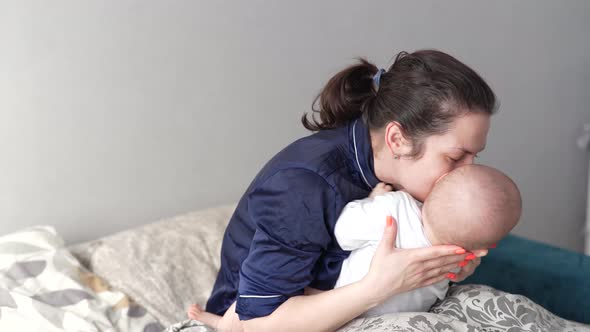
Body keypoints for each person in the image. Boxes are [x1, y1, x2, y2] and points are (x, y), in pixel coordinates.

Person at [192, 49, 497, 332]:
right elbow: (255, 324)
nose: (468, 171)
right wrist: (380, 286)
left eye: (475, 156)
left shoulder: (406, 177)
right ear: (398, 140)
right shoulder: (303, 187)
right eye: (456, 158)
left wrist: (444, 266)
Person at [334, 164, 522, 317]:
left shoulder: (394, 207)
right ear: (481, 251)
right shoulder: (455, 261)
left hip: (342, 312)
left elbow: (342, 233)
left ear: (439, 181)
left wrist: (373, 200)